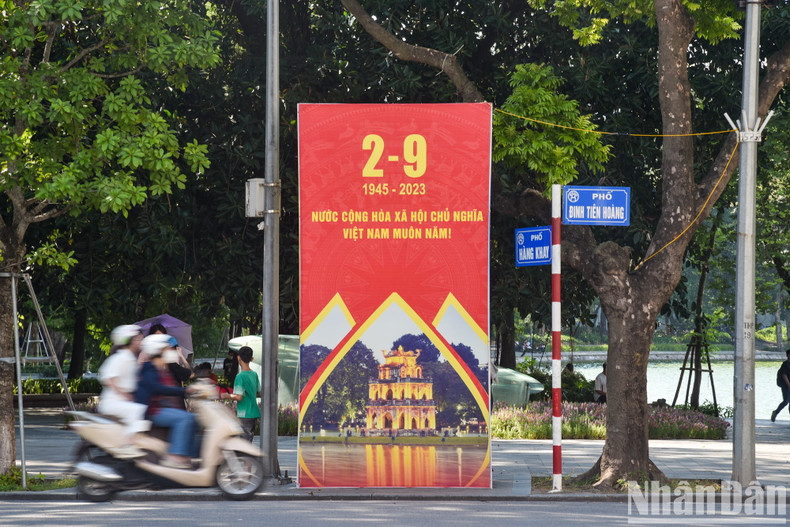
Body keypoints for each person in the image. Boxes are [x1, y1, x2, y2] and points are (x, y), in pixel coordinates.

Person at [135, 334, 199, 469]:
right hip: (153, 411)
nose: (169, 351)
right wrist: (184, 391)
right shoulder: (150, 368)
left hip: (161, 407)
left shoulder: (162, 367)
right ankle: (175, 456)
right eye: (166, 348)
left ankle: (191, 456)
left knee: (194, 419)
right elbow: (158, 388)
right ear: (158, 351)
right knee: (185, 419)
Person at [97, 325, 149, 458]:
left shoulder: (131, 358)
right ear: (130, 341)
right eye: (138, 339)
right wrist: (124, 394)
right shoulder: (120, 358)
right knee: (138, 410)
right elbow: (109, 379)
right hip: (112, 402)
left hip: (122, 401)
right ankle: (128, 445)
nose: (140, 342)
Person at [220, 346, 260, 442]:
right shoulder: (254, 374)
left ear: (238, 358)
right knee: (248, 441)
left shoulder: (240, 376)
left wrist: (227, 396)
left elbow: (239, 397)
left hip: (244, 414)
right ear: (252, 359)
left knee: (244, 443)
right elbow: (258, 393)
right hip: (254, 413)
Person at [771, 349, 790, 422]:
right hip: (785, 385)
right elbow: (784, 375)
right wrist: (788, 385)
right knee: (786, 401)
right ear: (788, 355)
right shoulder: (785, 364)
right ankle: (776, 412)